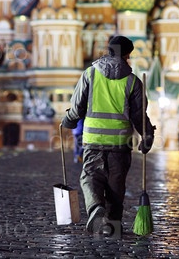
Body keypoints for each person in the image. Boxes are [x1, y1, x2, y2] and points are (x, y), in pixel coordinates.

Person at [61, 35, 155, 234]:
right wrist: (147, 136)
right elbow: (139, 115)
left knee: (90, 177)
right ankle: (112, 226)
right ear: (127, 55)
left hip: (93, 139)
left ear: (109, 51)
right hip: (120, 143)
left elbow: (77, 106)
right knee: (116, 185)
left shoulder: (90, 74)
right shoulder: (133, 81)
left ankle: (96, 207)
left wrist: (69, 120)